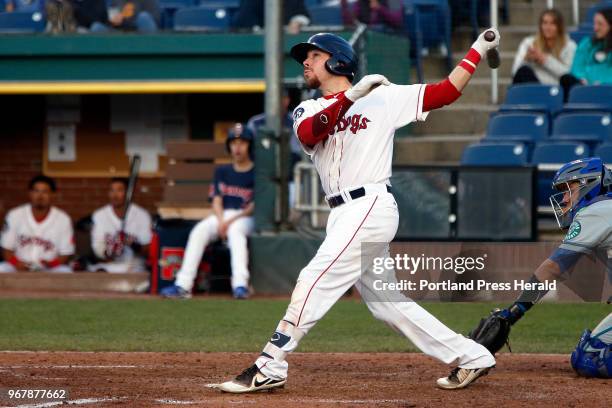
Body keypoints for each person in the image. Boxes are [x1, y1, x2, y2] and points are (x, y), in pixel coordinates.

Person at [214, 29, 501, 393]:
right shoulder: (309, 107)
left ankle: (271, 362)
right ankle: (472, 355)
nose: (306, 61)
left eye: (314, 56)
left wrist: (476, 49)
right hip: (343, 212)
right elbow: (309, 134)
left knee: (313, 279)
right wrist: (350, 96)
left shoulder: (382, 98)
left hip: (370, 204)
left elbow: (447, 91)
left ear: (337, 60)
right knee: (387, 304)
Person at [467, 157, 612, 379]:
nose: (564, 198)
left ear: (589, 185)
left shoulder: (596, 210)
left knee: (590, 357)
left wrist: (513, 313)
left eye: (568, 190)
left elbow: (554, 267)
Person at [161, 124, 255, 300]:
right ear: (229, 146)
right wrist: (221, 221)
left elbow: (254, 206)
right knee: (199, 230)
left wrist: (229, 222)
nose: (238, 147)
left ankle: (240, 285)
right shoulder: (222, 171)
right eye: (234, 142)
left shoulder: (256, 172)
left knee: (236, 232)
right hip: (223, 216)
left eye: (243, 142)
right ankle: (183, 285)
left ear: (250, 145)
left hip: (245, 217)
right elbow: (217, 200)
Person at [0, 175, 74, 273]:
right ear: (30, 193)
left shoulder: (63, 219)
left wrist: (50, 264)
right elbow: (6, 248)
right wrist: (17, 263)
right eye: (36, 191)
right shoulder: (15, 215)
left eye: (45, 192)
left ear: (52, 194)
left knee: (66, 272)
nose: (40, 196)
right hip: (17, 265)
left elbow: (65, 253)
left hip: (49, 267)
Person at [246, 90, 302, 208]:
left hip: (290, 180)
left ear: (287, 101)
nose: (277, 102)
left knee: (291, 203)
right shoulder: (255, 123)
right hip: (263, 179)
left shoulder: (296, 120)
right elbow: (249, 155)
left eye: (282, 98)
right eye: (274, 98)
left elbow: (300, 154)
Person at [88, 178, 152, 273]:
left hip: (134, 265)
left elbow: (148, 248)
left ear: (129, 193)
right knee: (97, 271)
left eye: (120, 190)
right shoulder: (99, 215)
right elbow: (98, 246)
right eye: (112, 190)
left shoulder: (142, 215)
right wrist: (110, 252)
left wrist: (133, 245)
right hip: (110, 265)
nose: (115, 195)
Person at [511, 9, 576, 85]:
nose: (548, 27)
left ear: (559, 27)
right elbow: (514, 72)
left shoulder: (570, 45)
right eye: (545, 23)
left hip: (557, 89)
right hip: (534, 86)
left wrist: (545, 60)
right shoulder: (528, 43)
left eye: (552, 23)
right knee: (523, 70)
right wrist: (526, 59)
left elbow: (569, 75)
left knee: (568, 79)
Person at [560, 8, 612, 98]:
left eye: (600, 24)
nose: (595, 28)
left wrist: (602, 83)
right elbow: (577, 66)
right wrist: (582, 78)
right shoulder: (586, 43)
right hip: (584, 85)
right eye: (595, 23)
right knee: (566, 79)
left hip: (608, 89)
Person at [231, 0, 310, 34]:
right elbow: (243, 21)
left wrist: (297, 21)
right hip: (257, 46)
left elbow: (303, 14)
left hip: (287, 45)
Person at [90, 0, 160, 33]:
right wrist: (113, 22)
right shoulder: (116, 1)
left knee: (144, 17)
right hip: (121, 32)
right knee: (96, 27)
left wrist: (124, 22)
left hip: (140, 33)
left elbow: (154, 20)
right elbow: (111, 22)